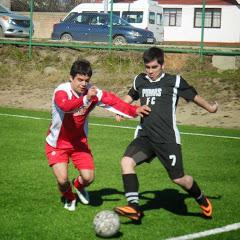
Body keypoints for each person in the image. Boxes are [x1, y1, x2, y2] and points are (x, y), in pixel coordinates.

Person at [114, 47, 218, 221]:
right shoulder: (140, 80)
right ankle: (134, 208)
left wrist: (210, 108)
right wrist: (121, 110)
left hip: (167, 139)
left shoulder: (174, 81)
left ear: (162, 64)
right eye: (147, 67)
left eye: (154, 67)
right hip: (145, 137)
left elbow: (193, 96)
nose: (150, 71)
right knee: (126, 162)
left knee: (179, 179)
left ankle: (200, 198)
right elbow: (130, 95)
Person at [45, 59, 151, 211]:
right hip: (57, 143)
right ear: (71, 78)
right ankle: (69, 197)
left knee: (88, 178)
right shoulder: (61, 91)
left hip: (79, 143)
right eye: (79, 80)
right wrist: (86, 98)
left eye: (86, 80)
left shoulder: (92, 92)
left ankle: (78, 185)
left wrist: (134, 110)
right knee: (62, 180)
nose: (83, 84)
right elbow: (66, 107)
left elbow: (113, 102)